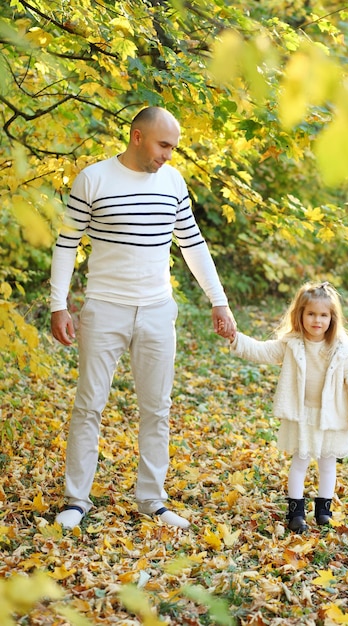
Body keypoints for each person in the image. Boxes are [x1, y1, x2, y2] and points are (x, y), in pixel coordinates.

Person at [50, 106, 236, 530]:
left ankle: (152, 498)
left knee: (157, 409)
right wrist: (57, 304)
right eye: (164, 145)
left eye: (173, 147)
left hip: (157, 311)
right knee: (88, 406)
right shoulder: (93, 178)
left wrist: (218, 300)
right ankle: (76, 501)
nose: (169, 155)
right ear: (137, 137)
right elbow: (66, 244)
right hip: (104, 309)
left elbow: (193, 243)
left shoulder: (172, 181)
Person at [226, 281, 348, 532]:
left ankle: (324, 512)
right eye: (311, 314)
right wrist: (234, 338)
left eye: (323, 315)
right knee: (300, 460)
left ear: (332, 318)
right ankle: (296, 512)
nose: (317, 320)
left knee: (328, 463)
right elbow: (261, 351)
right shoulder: (292, 344)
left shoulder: (342, 349)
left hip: (333, 416)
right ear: (300, 315)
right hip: (302, 414)